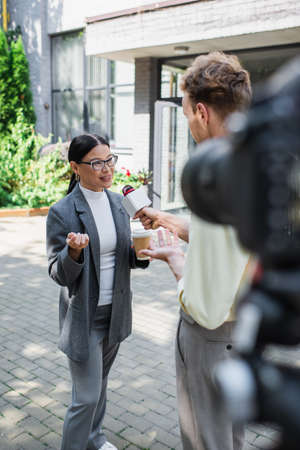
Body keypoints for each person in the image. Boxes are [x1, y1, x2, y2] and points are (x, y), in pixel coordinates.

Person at [137, 52, 252, 450]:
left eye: (186, 115)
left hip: (210, 338)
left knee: (205, 441)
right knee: (229, 438)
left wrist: (177, 264)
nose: (187, 125)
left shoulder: (215, 179)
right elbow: (220, 240)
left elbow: (205, 307)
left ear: (201, 112)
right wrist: (166, 220)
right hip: (240, 336)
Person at [46, 134, 149, 450]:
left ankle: (95, 438)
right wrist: (73, 253)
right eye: (97, 163)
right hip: (84, 316)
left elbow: (126, 254)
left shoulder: (120, 203)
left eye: (110, 160)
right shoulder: (62, 212)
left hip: (114, 312)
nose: (107, 169)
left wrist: (143, 252)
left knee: (100, 384)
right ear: (76, 167)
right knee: (86, 396)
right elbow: (58, 273)